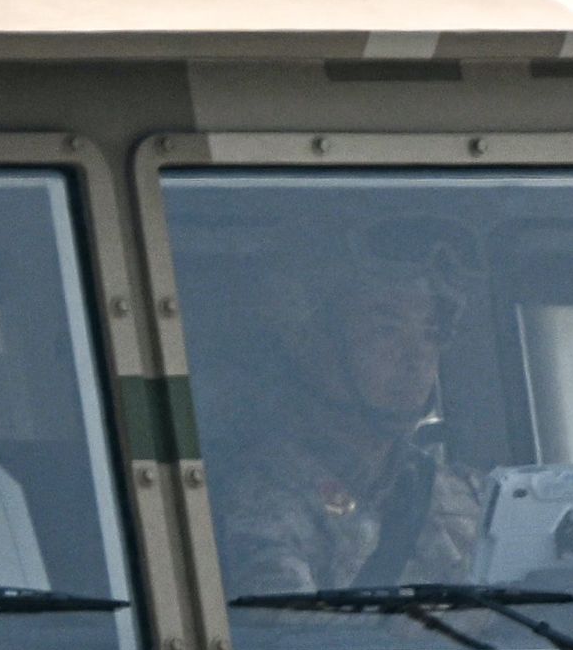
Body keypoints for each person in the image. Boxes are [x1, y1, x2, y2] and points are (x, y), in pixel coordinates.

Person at [207, 219, 493, 604]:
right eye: (386, 330)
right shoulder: (255, 495)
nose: (417, 358)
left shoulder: (464, 494)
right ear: (313, 342)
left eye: (430, 334)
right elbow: (291, 634)